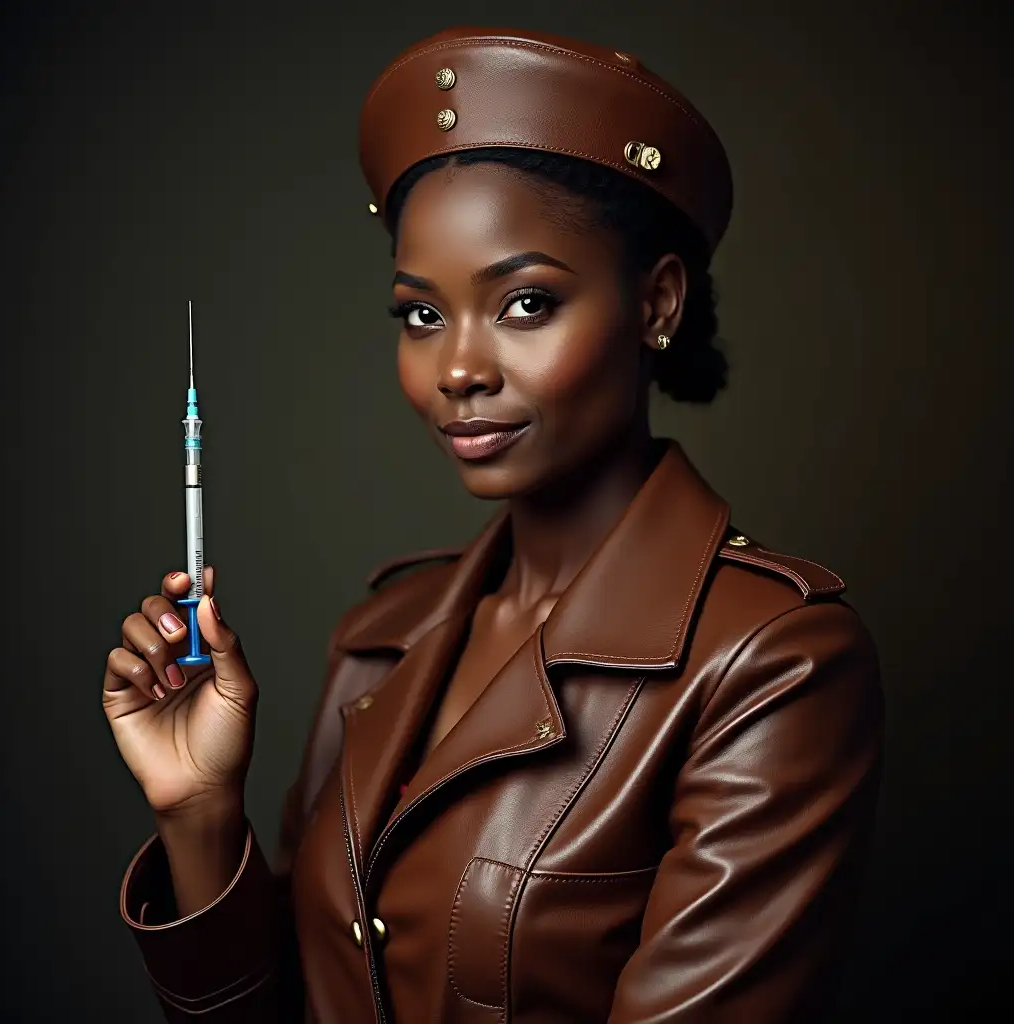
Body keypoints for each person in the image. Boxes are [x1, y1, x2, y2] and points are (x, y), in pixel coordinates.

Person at [102, 26, 883, 1024]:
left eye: (523, 302)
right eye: (421, 315)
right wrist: (200, 813)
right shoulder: (382, 638)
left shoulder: (773, 663)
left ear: (656, 303)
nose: (457, 369)